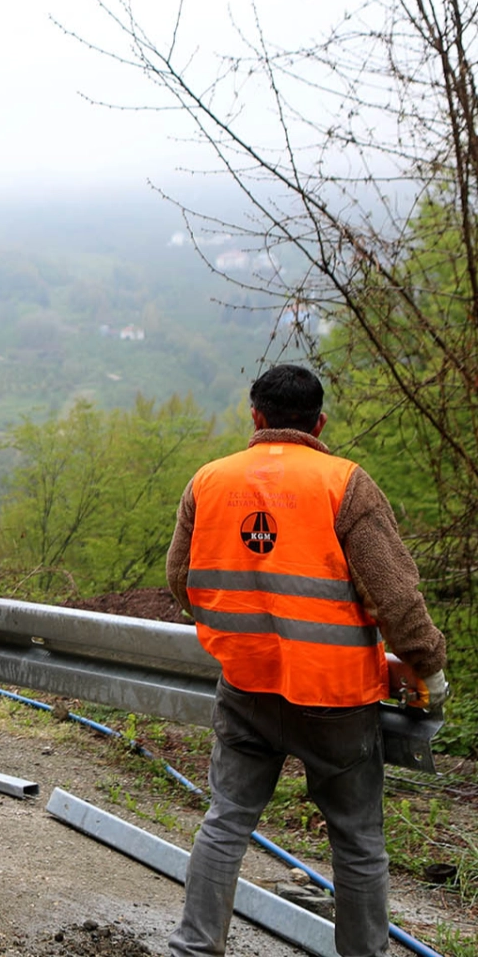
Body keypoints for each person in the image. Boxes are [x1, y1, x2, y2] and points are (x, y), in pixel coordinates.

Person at [165, 364, 448, 957]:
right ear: (319, 423)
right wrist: (426, 665)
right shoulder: (345, 484)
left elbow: (180, 580)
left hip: (245, 684)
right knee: (357, 841)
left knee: (226, 821)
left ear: (256, 418)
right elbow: (396, 596)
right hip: (336, 697)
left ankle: (194, 949)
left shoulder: (209, 482)